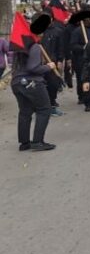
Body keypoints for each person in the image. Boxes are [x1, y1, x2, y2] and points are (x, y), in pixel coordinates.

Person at [10, 14, 57, 152]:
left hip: (17, 82)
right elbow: (33, 68)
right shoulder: (35, 46)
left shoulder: (20, 47)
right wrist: (48, 67)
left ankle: (24, 142)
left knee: (25, 111)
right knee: (44, 109)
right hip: (32, 82)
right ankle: (38, 141)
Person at [40, 12, 68, 116]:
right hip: (39, 63)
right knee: (41, 85)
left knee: (53, 85)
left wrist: (60, 60)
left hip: (53, 62)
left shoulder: (58, 31)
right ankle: (42, 106)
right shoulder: (38, 31)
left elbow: (61, 47)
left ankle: (52, 104)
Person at [69, 11, 90, 111]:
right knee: (85, 80)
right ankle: (87, 101)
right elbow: (73, 45)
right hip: (82, 60)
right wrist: (83, 47)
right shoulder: (78, 31)